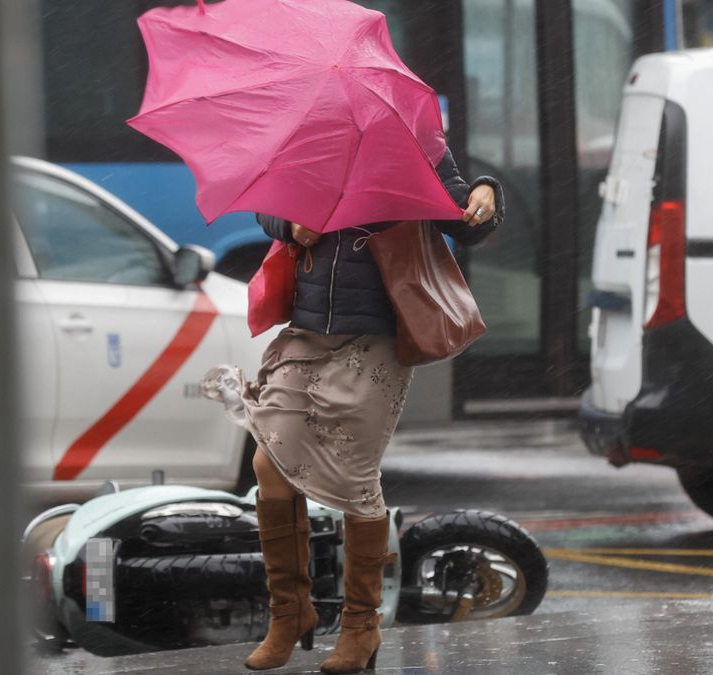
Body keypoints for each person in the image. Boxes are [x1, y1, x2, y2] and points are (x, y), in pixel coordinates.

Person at [203, 146, 501, 674]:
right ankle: (290, 613)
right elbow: (266, 208)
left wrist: (485, 193)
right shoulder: (308, 142)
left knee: (354, 475)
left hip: (378, 337)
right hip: (308, 330)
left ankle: (362, 627)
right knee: (269, 462)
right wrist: (291, 224)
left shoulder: (412, 143)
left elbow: (465, 220)